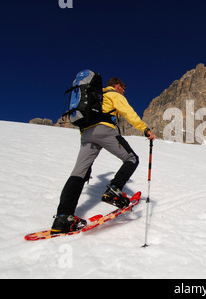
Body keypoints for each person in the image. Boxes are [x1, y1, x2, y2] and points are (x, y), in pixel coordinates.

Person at [51, 77, 156, 234]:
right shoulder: (113, 94)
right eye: (123, 88)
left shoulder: (96, 96)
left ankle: (63, 218)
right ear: (117, 86)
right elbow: (128, 113)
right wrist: (145, 129)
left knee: (78, 173)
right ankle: (115, 189)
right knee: (132, 159)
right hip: (104, 130)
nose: (124, 92)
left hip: (86, 134)